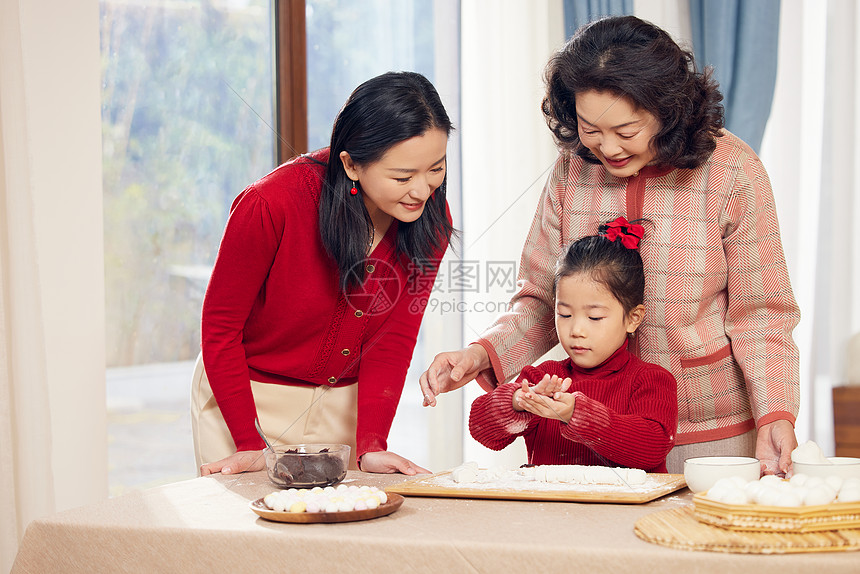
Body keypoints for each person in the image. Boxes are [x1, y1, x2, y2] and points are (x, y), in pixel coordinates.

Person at [420, 15, 800, 476]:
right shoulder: (571, 172)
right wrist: (480, 354)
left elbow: (761, 313)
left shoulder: (732, 172)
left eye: (626, 131)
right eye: (590, 128)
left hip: (709, 432)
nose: (608, 148)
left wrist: (775, 412)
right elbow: (542, 298)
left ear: (668, 110)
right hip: (583, 431)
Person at [193, 71, 454, 477]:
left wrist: (371, 445)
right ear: (350, 164)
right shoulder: (270, 204)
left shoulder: (429, 219)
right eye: (403, 177)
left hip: (342, 410)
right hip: (247, 402)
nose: (422, 190)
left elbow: (393, 339)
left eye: (435, 169)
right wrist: (247, 441)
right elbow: (220, 328)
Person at [469, 219, 677, 472]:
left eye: (595, 317)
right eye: (565, 315)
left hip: (624, 512)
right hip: (549, 510)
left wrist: (577, 415)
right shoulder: (541, 379)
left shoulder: (651, 380)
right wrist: (517, 401)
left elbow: (650, 450)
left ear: (633, 318)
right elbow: (483, 431)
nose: (576, 331)